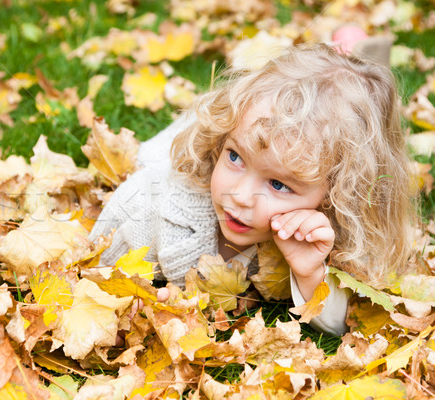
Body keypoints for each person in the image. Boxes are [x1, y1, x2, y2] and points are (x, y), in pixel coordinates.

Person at [88, 44, 416, 336]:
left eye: (278, 184)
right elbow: (95, 262)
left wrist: (311, 273)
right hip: (167, 158)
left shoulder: (332, 230)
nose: (240, 196)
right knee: (158, 150)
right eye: (234, 157)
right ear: (221, 143)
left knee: (355, 91)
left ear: (336, 197)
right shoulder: (158, 203)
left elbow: (354, 320)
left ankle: (357, 49)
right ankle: (348, 44)